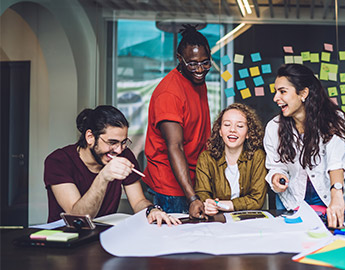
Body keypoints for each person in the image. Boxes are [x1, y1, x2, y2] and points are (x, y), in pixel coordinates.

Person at [44, 105, 180, 226]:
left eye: (123, 142)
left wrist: (152, 210)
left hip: (103, 236)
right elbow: (77, 218)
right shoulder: (58, 161)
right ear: (90, 137)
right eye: (112, 142)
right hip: (65, 239)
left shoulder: (124, 155)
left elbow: (138, 201)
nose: (119, 150)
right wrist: (103, 177)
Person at [263, 64, 345, 228]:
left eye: (282, 91)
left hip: (329, 199)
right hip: (290, 202)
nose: (276, 98)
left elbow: (336, 162)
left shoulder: (335, 119)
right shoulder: (273, 127)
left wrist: (337, 194)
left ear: (303, 93)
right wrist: (276, 177)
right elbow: (276, 166)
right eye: (276, 92)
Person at [143, 24, 211, 218]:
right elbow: (175, 147)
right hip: (170, 187)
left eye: (205, 62)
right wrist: (191, 198)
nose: (200, 69)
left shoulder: (197, 80)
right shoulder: (169, 93)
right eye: (193, 64)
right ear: (180, 59)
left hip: (193, 180)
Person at [194, 103, 267, 216]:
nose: (232, 130)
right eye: (227, 124)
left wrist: (226, 205)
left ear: (248, 133)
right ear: (220, 131)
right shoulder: (206, 158)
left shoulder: (258, 157)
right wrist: (208, 204)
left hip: (248, 221)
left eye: (240, 126)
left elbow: (257, 200)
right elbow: (202, 193)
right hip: (216, 220)